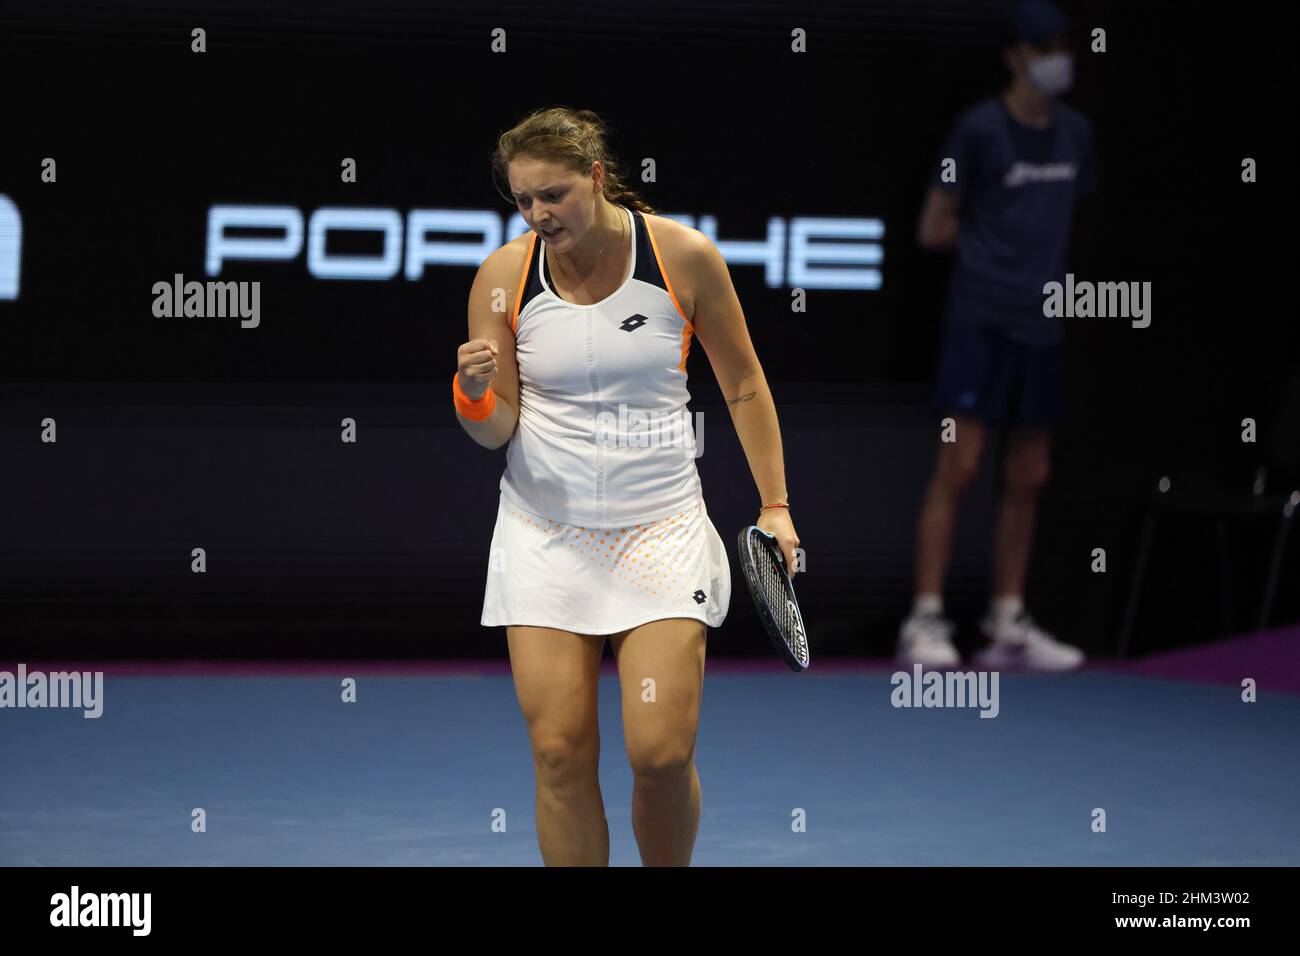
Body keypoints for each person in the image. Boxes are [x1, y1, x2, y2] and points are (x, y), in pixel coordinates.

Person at [454, 107, 799, 866]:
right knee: (558, 753)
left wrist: (775, 505)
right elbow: (494, 429)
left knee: (660, 753)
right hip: (544, 534)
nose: (539, 214)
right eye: (523, 201)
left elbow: (742, 382)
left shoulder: (683, 256)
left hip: (661, 532)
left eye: (554, 194)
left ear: (598, 179)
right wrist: (473, 394)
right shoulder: (504, 278)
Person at [899, 1, 1095, 671]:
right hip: (977, 321)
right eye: (1044, 47)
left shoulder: (1077, 134)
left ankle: (1007, 621)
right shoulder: (978, 131)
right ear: (1014, 54)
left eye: (1062, 45)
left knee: (1031, 473)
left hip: (1042, 327)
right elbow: (933, 226)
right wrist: (995, 256)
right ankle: (924, 619)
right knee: (961, 466)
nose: (1055, 58)